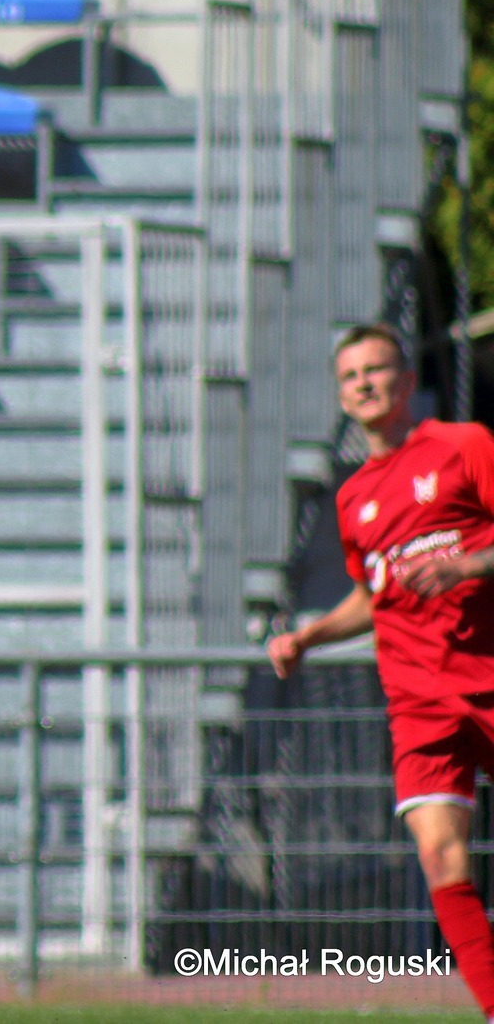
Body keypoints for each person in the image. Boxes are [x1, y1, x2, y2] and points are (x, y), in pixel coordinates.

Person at [268, 323, 494, 1023]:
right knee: (441, 860)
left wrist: (465, 564)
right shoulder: (353, 497)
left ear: (405, 376)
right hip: (418, 701)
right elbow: (374, 595)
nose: (363, 383)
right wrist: (308, 634)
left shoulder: (465, 445)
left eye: (376, 368)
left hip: (486, 672)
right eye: (350, 375)